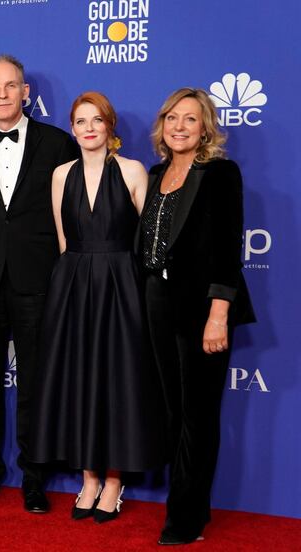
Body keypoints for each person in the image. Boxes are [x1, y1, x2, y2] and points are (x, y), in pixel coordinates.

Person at [29, 92, 164, 522]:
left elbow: (149, 244)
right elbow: (64, 241)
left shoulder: (132, 171)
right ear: (72, 128)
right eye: (80, 120)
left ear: (110, 126)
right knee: (80, 380)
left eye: (96, 120)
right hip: (72, 285)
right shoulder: (59, 175)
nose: (88, 128)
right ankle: (88, 477)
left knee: (117, 380)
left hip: (121, 285)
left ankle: (113, 479)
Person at [0, 54, 78, 512]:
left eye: (11, 86)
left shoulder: (58, 144)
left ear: (26, 92)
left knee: (37, 384)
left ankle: (34, 477)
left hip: (38, 278)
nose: (2, 95)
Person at [137, 88, 255, 545]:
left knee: (198, 416)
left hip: (201, 308)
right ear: (162, 125)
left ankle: (185, 517)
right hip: (155, 300)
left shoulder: (221, 174)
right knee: (172, 411)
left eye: (190, 119)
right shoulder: (156, 172)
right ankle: (192, 504)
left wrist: (218, 314)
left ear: (205, 127)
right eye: (172, 118)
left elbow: (228, 250)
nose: (179, 127)